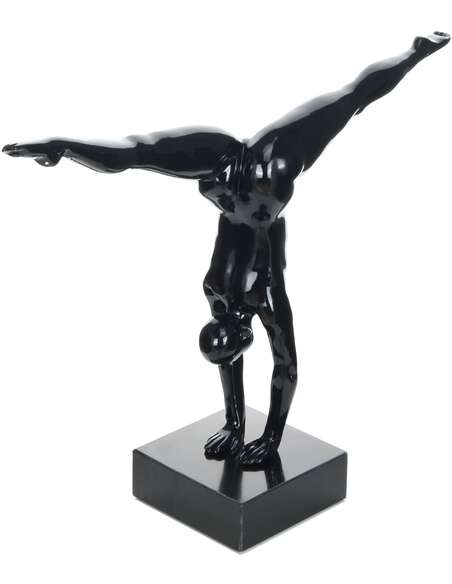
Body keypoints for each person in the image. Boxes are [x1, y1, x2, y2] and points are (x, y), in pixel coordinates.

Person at [3, 32, 449, 465]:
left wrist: (268, 438)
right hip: (245, 177)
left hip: (263, 169)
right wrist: (244, 429)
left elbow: (284, 368)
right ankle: (62, 146)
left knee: (352, 98)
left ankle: (417, 52)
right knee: (141, 152)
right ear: (237, 333)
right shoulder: (243, 295)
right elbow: (286, 367)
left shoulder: (221, 291)